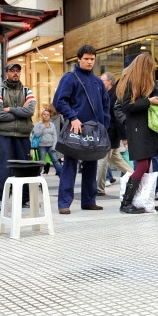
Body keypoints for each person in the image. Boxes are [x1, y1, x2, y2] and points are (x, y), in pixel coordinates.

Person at [53, 45, 110, 215]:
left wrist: (103, 126)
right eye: (86, 58)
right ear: (79, 59)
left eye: (92, 59)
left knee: (91, 165)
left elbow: (106, 106)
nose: (89, 62)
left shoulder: (97, 81)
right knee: (69, 165)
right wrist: (73, 117)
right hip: (75, 129)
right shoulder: (70, 78)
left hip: (94, 131)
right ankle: (64, 203)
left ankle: (89, 201)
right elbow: (59, 102)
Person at [116, 53, 158, 214]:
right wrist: (149, 101)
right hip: (137, 130)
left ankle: (142, 199)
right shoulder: (129, 81)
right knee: (142, 165)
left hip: (145, 128)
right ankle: (126, 202)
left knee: (146, 165)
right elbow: (127, 106)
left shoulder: (138, 82)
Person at [0, 63, 36, 210]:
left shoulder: (27, 91)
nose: (15, 73)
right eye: (12, 71)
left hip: (23, 136)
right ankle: (1, 199)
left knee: (24, 168)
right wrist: (19, 113)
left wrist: (10, 109)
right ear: (7, 74)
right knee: (4, 168)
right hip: (5, 135)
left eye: (18, 71)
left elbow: (29, 111)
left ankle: (24, 199)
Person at [96, 72, 134, 196]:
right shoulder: (105, 94)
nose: (101, 83)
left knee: (102, 162)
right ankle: (136, 177)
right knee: (117, 160)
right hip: (107, 133)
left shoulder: (114, 96)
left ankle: (99, 188)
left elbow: (118, 118)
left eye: (103, 81)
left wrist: (124, 136)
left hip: (110, 134)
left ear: (110, 82)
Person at [33, 109, 62, 176]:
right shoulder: (38, 124)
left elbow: (55, 136)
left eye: (48, 115)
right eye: (44, 114)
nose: (46, 116)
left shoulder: (52, 125)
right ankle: (36, 175)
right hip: (41, 146)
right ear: (41, 115)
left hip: (51, 146)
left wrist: (54, 146)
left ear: (49, 117)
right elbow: (36, 134)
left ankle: (62, 175)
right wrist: (43, 127)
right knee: (41, 161)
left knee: (55, 160)